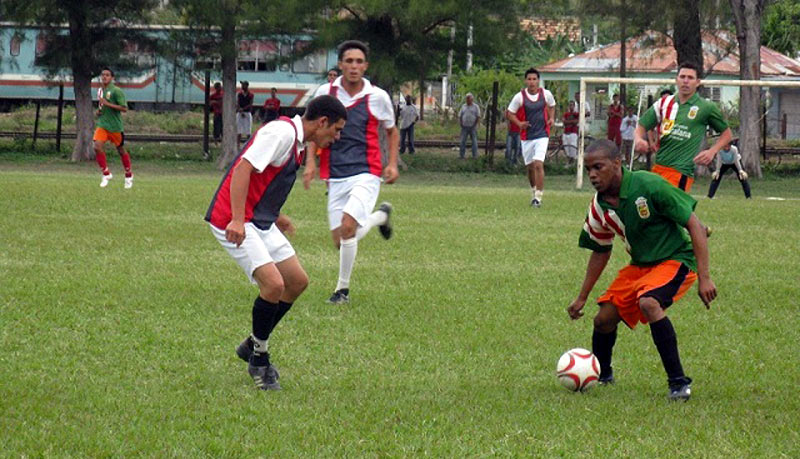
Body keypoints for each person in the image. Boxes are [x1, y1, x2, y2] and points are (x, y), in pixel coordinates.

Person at [205, 95, 347, 390]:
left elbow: (262, 179)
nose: (337, 137)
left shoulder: (296, 141)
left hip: (259, 220)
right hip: (234, 221)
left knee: (297, 281)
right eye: (336, 130)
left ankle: (252, 343)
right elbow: (243, 168)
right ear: (322, 122)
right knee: (273, 285)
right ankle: (259, 359)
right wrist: (236, 219)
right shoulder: (281, 134)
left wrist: (276, 215)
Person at [568, 139, 717, 401]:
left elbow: (695, 225)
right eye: (588, 168)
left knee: (649, 303)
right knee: (602, 319)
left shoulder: (648, 185)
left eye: (598, 167)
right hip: (640, 266)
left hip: (675, 260)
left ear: (617, 164)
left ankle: (679, 383)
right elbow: (601, 250)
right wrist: (582, 297)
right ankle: (602, 375)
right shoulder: (599, 206)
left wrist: (705, 278)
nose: (592, 174)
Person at [303, 40, 400, 305]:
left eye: (359, 62)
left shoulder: (377, 96)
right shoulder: (326, 93)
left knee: (348, 228)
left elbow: (391, 131)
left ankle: (341, 291)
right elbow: (312, 129)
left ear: (365, 66)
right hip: (334, 174)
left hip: (365, 172)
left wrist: (391, 163)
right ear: (340, 64)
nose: (354, 66)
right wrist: (310, 163)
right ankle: (380, 217)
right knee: (341, 239)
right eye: (349, 61)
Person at [634, 62, 732, 192]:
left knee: (672, 210)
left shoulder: (706, 107)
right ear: (676, 80)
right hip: (658, 168)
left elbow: (727, 134)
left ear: (697, 82)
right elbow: (641, 125)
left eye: (690, 78)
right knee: (652, 210)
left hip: (680, 172)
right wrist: (638, 139)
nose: (685, 81)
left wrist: (712, 151)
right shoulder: (664, 103)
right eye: (682, 77)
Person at [506, 67, 556, 207]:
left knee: (538, 164)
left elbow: (552, 105)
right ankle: (533, 191)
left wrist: (551, 118)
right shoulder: (520, 97)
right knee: (530, 167)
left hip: (542, 134)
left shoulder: (546, 94)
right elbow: (510, 113)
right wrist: (519, 123)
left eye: (534, 79)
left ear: (538, 81)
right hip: (527, 136)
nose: (532, 82)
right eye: (529, 79)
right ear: (525, 81)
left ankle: (538, 198)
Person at [94, 67, 133, 189]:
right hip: (103, 125)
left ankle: (128, 175)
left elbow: (124, 108)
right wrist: (99, 112)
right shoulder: (100, 91)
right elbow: (102, 107)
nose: (104, 77)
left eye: (107, 75)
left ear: (112, 78)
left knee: (121, 150)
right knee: (96, 146)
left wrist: (108, 104)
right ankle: (106, 173)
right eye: (103, 75)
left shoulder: (116, 91)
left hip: (115, 127)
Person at [459, 93, 481, 159]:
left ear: (472, 99)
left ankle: (475, 156)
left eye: (469, 99)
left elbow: (478, 116)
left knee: (474, 142)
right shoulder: (463, 106)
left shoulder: (476, 107)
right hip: (464, 127)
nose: (468, 100)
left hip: (473, 127)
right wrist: (461, 123)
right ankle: (462, 156)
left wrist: (475, 124)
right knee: (462, 141)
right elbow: (460, 115)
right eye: (467, 99)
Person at [237, 81, 254, 148]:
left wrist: (243, 109)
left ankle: (248, 145)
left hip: (247, 112)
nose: (242, 87)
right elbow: (237, 103)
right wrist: (240, 110)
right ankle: (238, 145)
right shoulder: (239, 94)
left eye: (243, 85)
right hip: (240, 113)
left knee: (248, 129)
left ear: (247, 86)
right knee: (239, 129)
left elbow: (250, 104)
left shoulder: (251, 95)